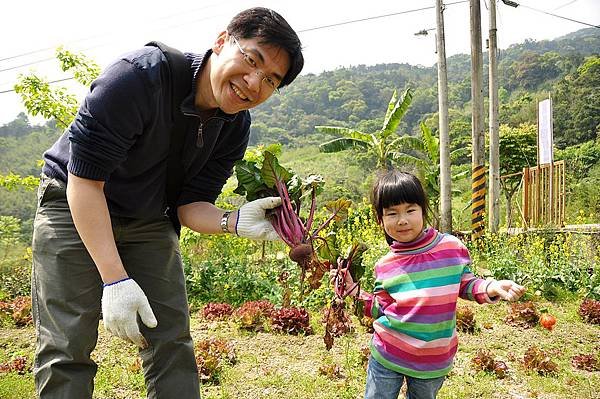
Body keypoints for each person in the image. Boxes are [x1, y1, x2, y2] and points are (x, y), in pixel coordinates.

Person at [31, 7, 303, 398]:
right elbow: (85, 182)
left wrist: (234, 220)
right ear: (222, 41)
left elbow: (190, 206)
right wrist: (115, 278)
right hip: (73, 203)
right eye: (251, 60)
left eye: (271, 80)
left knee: (171, 339)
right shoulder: (138, 78)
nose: (253, 83)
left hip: (147, 216)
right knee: (67, 344)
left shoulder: (233, 126)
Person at [333, 170, 526, 399]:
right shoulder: (385, 265)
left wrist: (490, 287)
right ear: (380, 220)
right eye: (392, 213)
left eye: (410, 210)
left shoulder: (450, 248)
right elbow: (380, 309)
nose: (402, 220)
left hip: (433, 358)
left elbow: (464, 283)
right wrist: (352, 290)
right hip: (388, 352)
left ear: (424, 210)